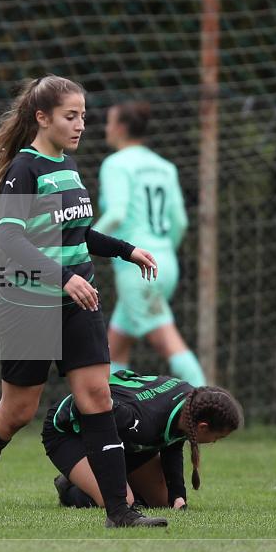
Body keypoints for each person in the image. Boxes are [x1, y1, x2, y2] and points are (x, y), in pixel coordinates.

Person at [0, 75, 168, 529]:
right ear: (42, 118)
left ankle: (120, 512)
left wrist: (126, 249)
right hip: (29, 306)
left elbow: (78, 234)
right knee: (17, 412)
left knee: (97, 397)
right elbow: (9, 237)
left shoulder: (69, 165)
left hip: (78, 302)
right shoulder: (24, 169)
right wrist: (62, 278)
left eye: (83, 115)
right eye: (71, 116)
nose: (80, 124)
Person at [94, 102, 205, 386]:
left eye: (109, 122)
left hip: (138, 269)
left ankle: (212, 408)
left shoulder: (116, 164)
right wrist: (164, 253)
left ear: (119, 127)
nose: (106, 128)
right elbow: (179, 222)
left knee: (168, 341)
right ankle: (113, 415)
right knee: (115, 346)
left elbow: (116, 213)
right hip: (165, 262)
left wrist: (82, 243)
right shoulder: (164, 167)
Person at [43, 370, 242, 509]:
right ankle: (69, 488)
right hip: (69, 431)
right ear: (203, 427)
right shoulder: (140, 421)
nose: (215, 442)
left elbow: (172, 443)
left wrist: (177, 495)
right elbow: (99, 424)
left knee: (163, 501)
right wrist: (113, 482)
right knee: (122, 501)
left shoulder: (190, 404)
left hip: (121, 437)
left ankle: (97, 479)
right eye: (218, 437)